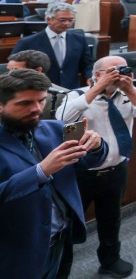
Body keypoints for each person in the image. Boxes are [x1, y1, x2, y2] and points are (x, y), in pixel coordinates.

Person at [0, 68, 106, 279]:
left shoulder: (58, 127)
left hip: (62, 238)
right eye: (25, 103)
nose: (37, 109)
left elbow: (92, 161)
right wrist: (41, 171)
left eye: (41, 101)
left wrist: (97, 145)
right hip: (18, 247)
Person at [55, 56, 136, 278]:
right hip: (81, 173)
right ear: (97, 74)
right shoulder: (78, 95)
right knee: (68, 223)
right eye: (113, 70)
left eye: (122, 69)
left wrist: (131, 90)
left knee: (111, 218)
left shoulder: (126, 95)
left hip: (116, 170)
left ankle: (110, 260)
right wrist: (97, 87)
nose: (119, 73)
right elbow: (61, 117)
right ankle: (60, 267)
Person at [13, 3, 93, 90]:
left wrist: (90, 77)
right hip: (40, 90)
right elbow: (14, 67)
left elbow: (87, 64)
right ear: (49, 20)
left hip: (71, 90)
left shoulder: (79, 40)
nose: (67, 24)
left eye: (71, 20)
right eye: (62, 20)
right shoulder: (27, 42)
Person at [7, 50, 69, 119]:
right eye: (8, 70)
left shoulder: (63, 97)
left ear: (38, 71)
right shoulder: (4, 90)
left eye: (15, 70)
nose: (9, 74)